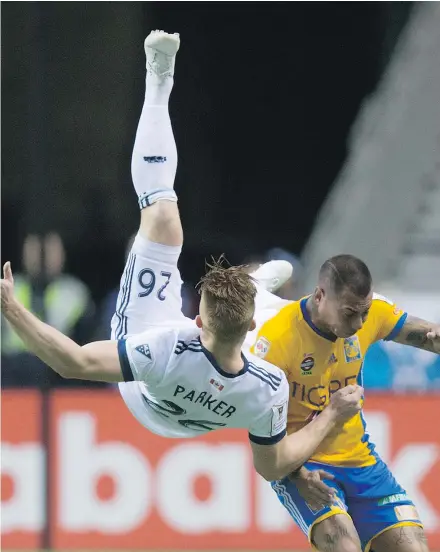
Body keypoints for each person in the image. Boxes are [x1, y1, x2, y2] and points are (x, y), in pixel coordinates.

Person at [0, 31, 364, 484]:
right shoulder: (267, 385)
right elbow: (272, 466)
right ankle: (254, 289)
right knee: (284, 325)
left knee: (163, 218)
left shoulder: (164, 348)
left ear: (195, 318)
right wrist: (331, 416)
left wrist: (12, 308)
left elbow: (72, 361)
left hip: (143, 381)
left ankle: (158, 83)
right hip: (205, 386)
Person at [251, 254, 440, 552]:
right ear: (319, 297)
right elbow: (263, 450)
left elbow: (428, 334)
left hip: (361, 460)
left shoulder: (369, 313)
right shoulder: (274, 343)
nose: (357, 323)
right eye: (348, 312)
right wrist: (295, 472)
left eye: (363, 311)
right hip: (304, 466)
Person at [1, 232, 95, 387]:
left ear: (63, 254)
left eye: (51, 251)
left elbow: (85, 341)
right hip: (12, 376)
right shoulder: (11, 287)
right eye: (33, 250)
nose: (41, 257)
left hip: (60, 373)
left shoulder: (74, 292)